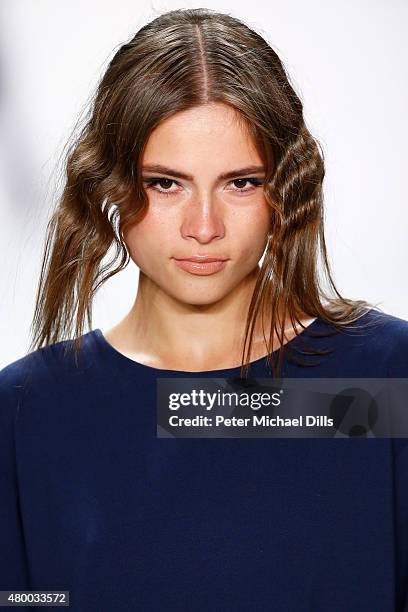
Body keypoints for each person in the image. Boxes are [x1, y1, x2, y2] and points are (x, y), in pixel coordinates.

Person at [1, 8, 407, 611]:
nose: (203, 227)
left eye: (240, 182)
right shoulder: (28, 412)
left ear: (285, 188)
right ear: (108, 185)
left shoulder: (383, 382)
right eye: (166, 183)